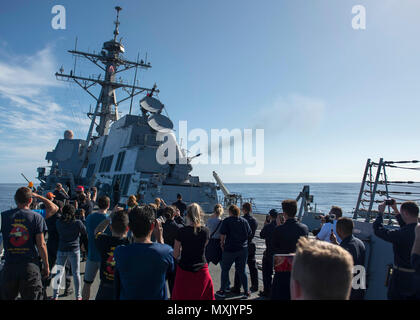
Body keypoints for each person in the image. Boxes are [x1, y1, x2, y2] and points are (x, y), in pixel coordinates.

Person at [114, 205, 174, 300]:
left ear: (129, 227)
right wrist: (160, 239)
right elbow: (170, 277)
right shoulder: (166, 252)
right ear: (152, 226)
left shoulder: (120, 252)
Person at [0, 187, 51, 300]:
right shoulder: (36, 217)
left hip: (9, 266)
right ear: (30, 200)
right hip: (30, 267)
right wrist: (46, 266)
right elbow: (41, 244)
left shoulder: (3, 217)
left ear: (15, 199)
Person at [373, 199, 420, 299]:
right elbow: (407, 226)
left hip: (401, 278)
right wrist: (396, 210)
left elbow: (378, 230)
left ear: (406, 213)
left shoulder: (401, 234)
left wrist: (380, 214)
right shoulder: (416, 231)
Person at [172, 203, 214, 300]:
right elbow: (203, 246)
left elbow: (175, 254)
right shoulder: (206, 231)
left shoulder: (181, 231)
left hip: (184, 270)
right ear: (200, 214)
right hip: (202, 270)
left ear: (187, 215)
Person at [271, 199, 309, 300]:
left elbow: (273, 247)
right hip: (298, 266)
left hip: (282, 267)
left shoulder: (279, 230)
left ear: (284, 213)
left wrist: (279, 227)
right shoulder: (304, 228)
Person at [216, 204, 252, 299]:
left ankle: (222, 290)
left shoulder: (227, 221)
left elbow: (222, 234)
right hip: (242, 249)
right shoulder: (244, 221)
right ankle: (246, 291)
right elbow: (249, 233)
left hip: (230, 249)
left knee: (225, 269)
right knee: (242, 270)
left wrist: (222, 244)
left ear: (230, 212)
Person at [52, 204, 87, 300]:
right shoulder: (78, 223)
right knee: (76, 273)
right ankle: (78, 296)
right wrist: (83, 217)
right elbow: (84, 231)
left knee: (59, 272)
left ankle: (55, 295)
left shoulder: (58, 223)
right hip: (74, 250)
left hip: (62, 248)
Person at [94, 209, 129, 300]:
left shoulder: (103, 240)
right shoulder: (130, 243)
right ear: (127, 228)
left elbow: (97, 231)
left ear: (110, 227)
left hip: (105, 288)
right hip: (123, 288)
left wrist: (109, 217)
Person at [82, 196, 111, 300]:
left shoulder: (89, 217)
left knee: (87, 283)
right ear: (108, 205)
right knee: (104, 285)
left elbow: (86, 234)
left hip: (92, 255)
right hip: (106, 257)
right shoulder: (109, 220)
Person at [330, 217, 366, 300]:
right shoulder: (360, 243)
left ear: (339, 230)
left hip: (348, 291)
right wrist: (336, 244)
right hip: (359, 288)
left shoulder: (344, 248)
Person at [232, 202, 258, 293]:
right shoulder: (254, 220)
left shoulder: (242, 220)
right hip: (251, 244)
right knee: (253, 266)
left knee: (239, 267)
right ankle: (255, 285)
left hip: (243, 245)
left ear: (244, 209)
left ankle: (237, 286)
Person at [162, 206, 183, 295]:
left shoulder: (161, 227)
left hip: (163, 254)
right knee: (173, 281)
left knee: (162, 280)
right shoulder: (178, 228)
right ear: (174, 214)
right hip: (174, 255)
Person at [259, 209, 279, 297]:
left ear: (270, 216)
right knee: (278, 273)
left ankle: (267, 291)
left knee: (267, 273)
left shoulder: (268, 226)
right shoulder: (280, 226)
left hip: (269, 251)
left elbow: (261, 235)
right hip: (279, 252)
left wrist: (266, 223)